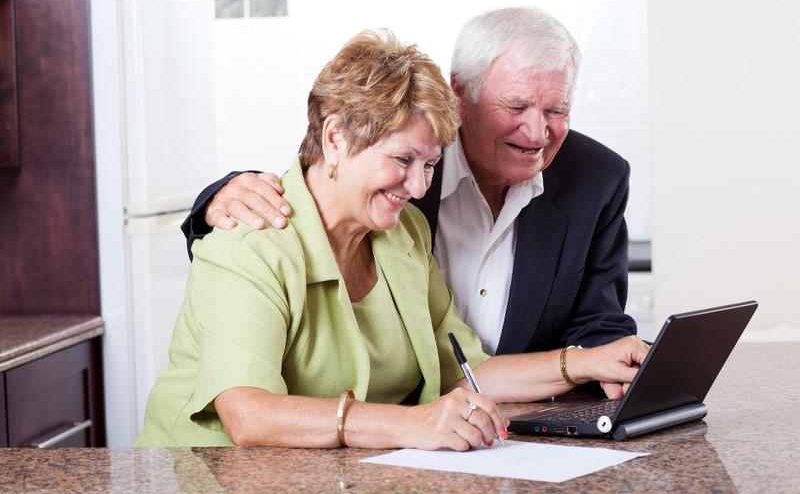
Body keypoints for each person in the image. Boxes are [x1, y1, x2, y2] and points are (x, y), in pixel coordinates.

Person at [137, 30, 649, 449]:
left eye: (429, 165)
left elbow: (466, 371)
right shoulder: (250, 243)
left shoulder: (403, 232)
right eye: (403, 160)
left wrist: (582, 361)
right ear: (335, 137)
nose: (421, 186)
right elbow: (248, 416)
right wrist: (411, 424)